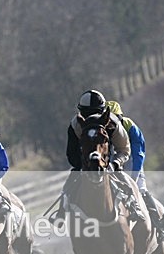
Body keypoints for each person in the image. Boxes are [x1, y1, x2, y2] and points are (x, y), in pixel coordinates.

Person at [49, 89, 145, 224]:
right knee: (70, 183)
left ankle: (135, 207)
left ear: (103, 112)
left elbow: (124, 150)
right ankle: (62, 212)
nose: (90, 118)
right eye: (86, 114)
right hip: (86, 163)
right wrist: (84, 165)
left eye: (94, 113)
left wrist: (115, 163)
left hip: (110, 161)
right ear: (81, 113)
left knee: (126, 182)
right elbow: (72, 154)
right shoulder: (76, 125)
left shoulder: (114, 124)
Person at [106, 100, 160, 221]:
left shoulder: (130, 126)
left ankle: (159, 226)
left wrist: (134, 178)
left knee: (141, 190)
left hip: (131, 161)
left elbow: (138, 154)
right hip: (113, 163)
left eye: (115, 120)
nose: (112, 125)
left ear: (121, 117)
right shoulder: (101, 128)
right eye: (109, 121)